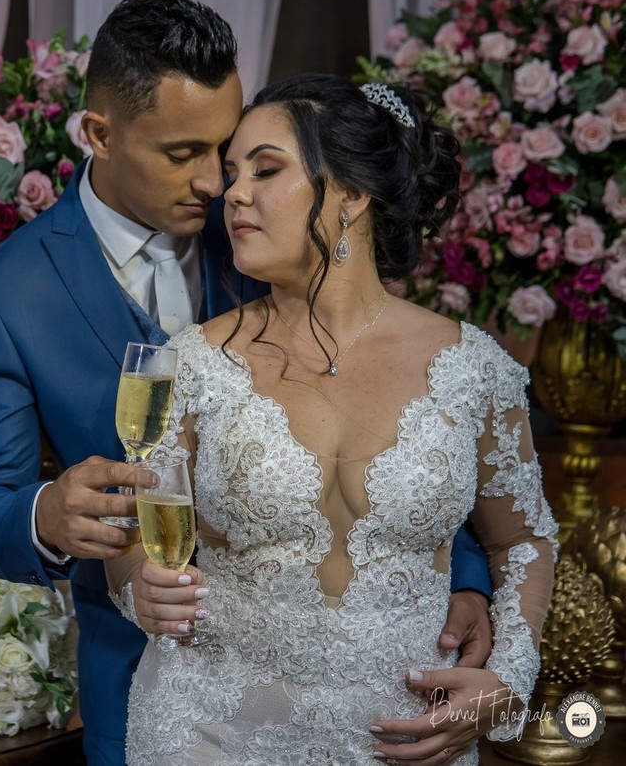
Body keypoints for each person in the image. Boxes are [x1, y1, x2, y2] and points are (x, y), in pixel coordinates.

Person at [0, 0, 495, 765]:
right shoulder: (9, 291)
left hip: (359, 699)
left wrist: (468, 583)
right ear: (99, 133)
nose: (216, 182)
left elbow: (403, 410)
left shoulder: (275, 224)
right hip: (154, 696)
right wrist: (46, 514)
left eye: (228, 148)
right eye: (183, 154)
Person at [106, 73, 559, 765]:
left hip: (408, 743)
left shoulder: (475, 368)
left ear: (350, 192)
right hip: (206, 734)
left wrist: (509, 679)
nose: (233, 193)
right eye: (232, 174)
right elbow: (130, 534)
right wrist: (139, 587)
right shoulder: (190, 363)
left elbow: (523, 538)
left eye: (265, 169)